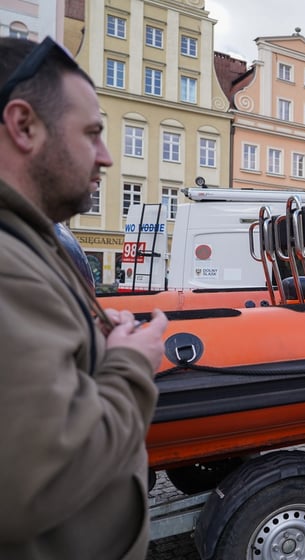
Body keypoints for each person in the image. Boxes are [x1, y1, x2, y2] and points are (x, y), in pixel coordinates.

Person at [0, 37, 168, 559]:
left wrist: (90, 345)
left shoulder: (31, 240)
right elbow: (39, 479)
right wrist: (130, 364)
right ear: (23, 125)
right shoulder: (10, 262)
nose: (107, 157)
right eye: (92, 133)